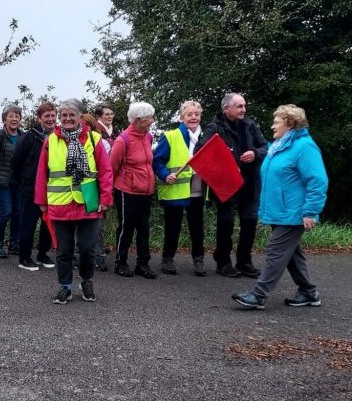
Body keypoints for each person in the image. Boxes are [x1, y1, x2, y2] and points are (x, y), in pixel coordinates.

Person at [233, 104, 328, 310]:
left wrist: (311, 211)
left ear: (289, 124)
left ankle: (258, 295)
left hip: (294, 212)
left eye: (276, 121)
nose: (272, 125)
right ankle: (309, 292)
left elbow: (317, 180)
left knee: (276, 250)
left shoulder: (304, 146)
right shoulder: (279, 146)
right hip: (280, 211)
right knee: (292, 253)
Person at [35, 99, 114, 304]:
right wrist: (41, 200)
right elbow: (42, 173)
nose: (67, 119)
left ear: (80, 117)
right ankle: (65, 286)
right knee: (64, 250)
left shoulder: (94, 139)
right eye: (64, 115)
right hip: (60, 202)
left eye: (72, 115)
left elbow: (105, 171)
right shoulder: (51, 140)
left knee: (88, 249)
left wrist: (105, 199)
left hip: (88, 200)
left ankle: (86, 281)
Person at [203, 93, 268, 278]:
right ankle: (223, 262)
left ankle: (244, 261)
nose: (243, 110)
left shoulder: (250, 124)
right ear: (226, 109)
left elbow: (266, 147)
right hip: (227, 183)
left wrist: (255, 153)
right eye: (239, 106)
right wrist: (227, 166)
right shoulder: (214, 127)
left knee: (249, 221)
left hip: (250, 183)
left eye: (244, 106)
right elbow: (202, 152)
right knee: (226, 223)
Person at [153, 100, 207, 276]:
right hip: (175, 188)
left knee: (197, 227)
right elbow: (157, 161)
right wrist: (164, 174)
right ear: (182, 117)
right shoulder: (170, 136)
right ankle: (167, 259)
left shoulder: (207, 137)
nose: (193, 117)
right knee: (172, 227)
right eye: (189, 114)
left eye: (196, 114)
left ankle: (199, 260)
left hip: (198, 189)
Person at [109, 102, 157, 279]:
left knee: (144, 227)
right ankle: (120, 262)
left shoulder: (148, 137)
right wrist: (108, 194)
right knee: (126, 228)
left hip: (146, 191)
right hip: (126, 191)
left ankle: (142, 264)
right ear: (138, 120)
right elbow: (112, 168)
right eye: (149, 118)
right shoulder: (123, 140)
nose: (152, 121)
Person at [13, 102, 57, 271]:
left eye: (53, 115)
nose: (50, 119)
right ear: (39, 118)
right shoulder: (30, 136)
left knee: (48, 223)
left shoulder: (59, 135)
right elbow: (17, 161)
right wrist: (24, 180)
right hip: (30, 188)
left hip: (53, 188)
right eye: (46, 116)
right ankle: (24, 258)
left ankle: (42, 254)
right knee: (28, 223)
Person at [0, 104, 24, 258]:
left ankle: (14, 244)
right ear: (4, 119)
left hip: (19, 183)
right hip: (2, 183)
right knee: (6, 212)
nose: (14, 119)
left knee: (18, 214)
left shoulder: (23, 136)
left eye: (17, 116)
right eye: (10, 116)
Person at [84, 113, 111, 272]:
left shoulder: (101, 143)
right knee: (79, 228)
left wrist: (105, 195)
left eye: (87, 125)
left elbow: (106, 170)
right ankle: (79, 256)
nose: (84, 128)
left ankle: (99, 257)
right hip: (79, 189)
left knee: (97, 227)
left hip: (95, 189)